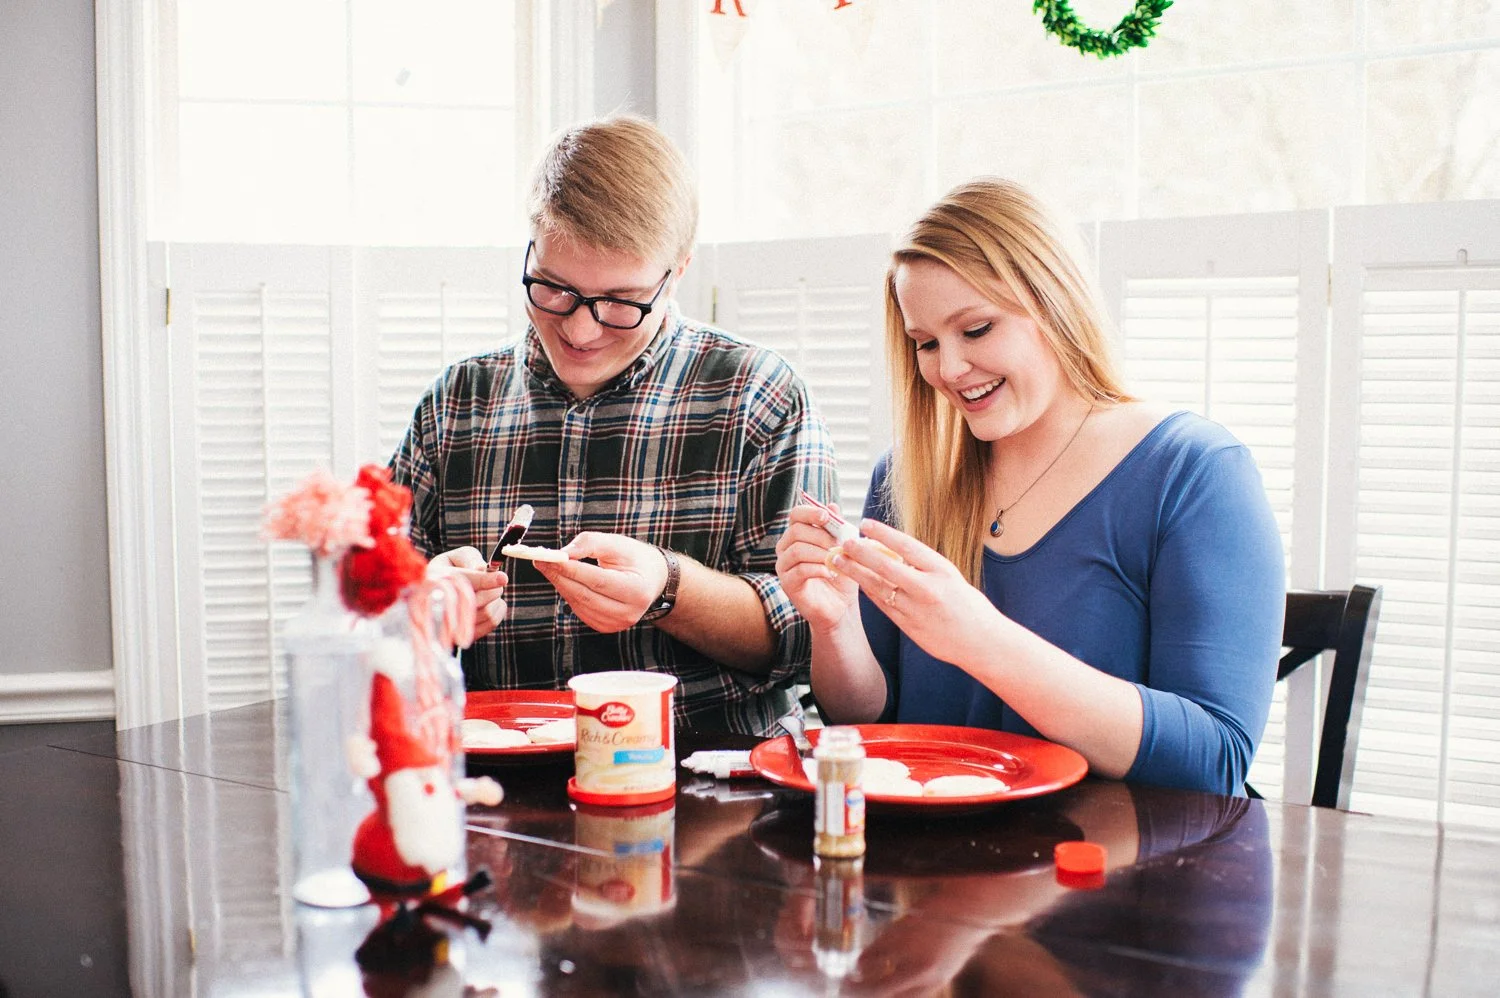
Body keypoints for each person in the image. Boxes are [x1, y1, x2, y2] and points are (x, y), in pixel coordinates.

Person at [775, 178, 1284, 795]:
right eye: (926, 343)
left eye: (977, 329)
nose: (949, 369)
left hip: (1111, 852)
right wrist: (835, 625)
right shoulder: (906, 477)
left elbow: (1216, 759)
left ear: (1054, 303)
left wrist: (980, 639)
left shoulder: (1194, 472)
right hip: (933, 851)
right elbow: (871, 724)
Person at [389, 114, 836, 735]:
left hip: (713, 770)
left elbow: (808, 639)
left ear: (677, 272)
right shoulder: (455, 403)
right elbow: (366, 619)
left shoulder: (758, 394)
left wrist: (670, 589)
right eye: (554, 289)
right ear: (530, 249)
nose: (580, 330)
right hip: (498, 769)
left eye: (621, 303)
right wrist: (419, 606)